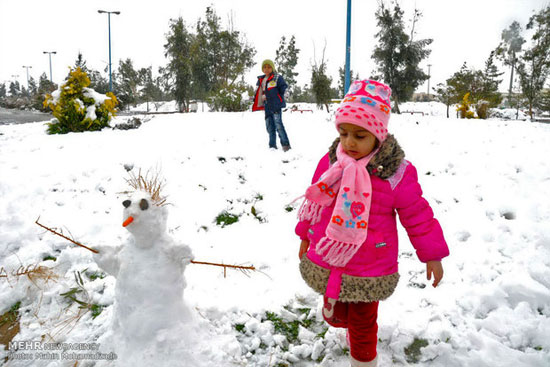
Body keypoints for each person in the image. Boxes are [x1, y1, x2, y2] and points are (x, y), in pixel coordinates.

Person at [295, 79, 449, 367]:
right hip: (331, 254)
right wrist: (304, 234)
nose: (349, 143)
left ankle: (363, 362)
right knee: (338, 314)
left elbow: (418, 215)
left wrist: (432, 254)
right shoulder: (332, 165)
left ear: (377, 135)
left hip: (370, 263)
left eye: (359, 135)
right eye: (344, 134)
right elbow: (316, 202)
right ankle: (337, 308)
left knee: (363, 324)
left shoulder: (395, 174)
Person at [252, 59, 291, 151]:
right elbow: (257, 92)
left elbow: (284, 87)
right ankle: (272, 146)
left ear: (272, 68)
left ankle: (286, 145)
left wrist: (286, 93)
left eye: (269, 67)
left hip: (276, 105)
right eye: (264, 67)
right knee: (270, 126)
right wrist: (256, 98)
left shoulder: (277, 77)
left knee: (278, 125)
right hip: (267, 105)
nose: (266, 69)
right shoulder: (261, 79)